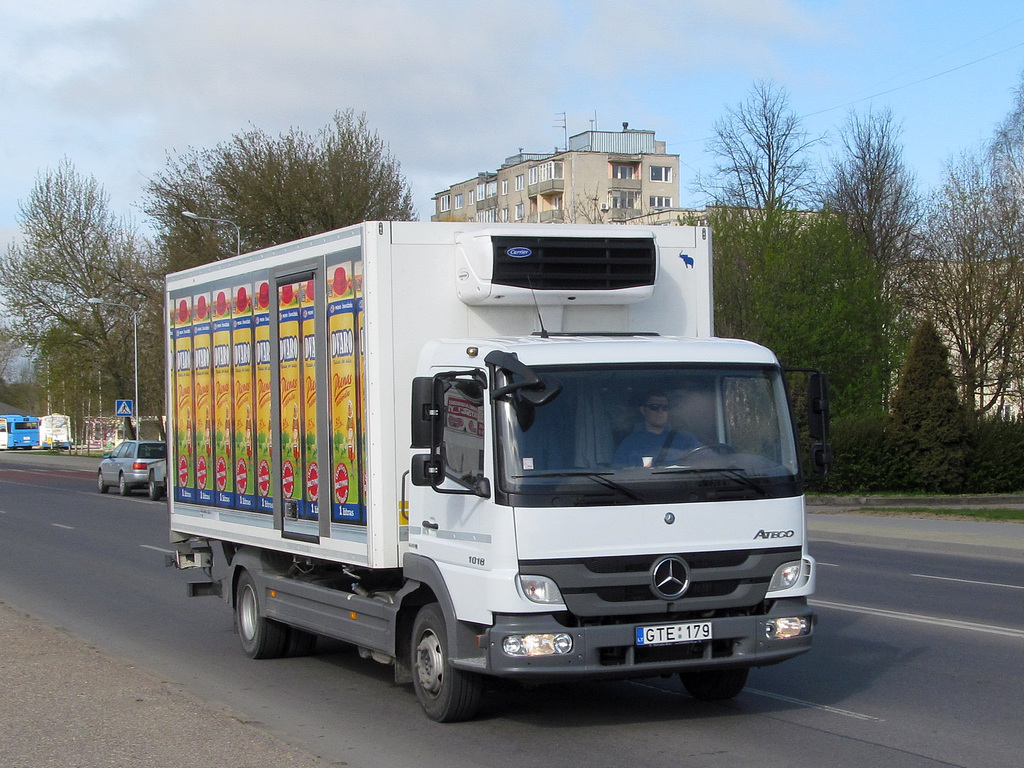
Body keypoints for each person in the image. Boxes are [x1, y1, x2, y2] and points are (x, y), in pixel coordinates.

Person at [612, 392, 700, 467]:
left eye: (665, 407)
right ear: (643, 410)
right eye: (655, 407)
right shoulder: (629, 444)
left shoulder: (686, 439)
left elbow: (708, 460)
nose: (660, 411)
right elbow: (619, 473)